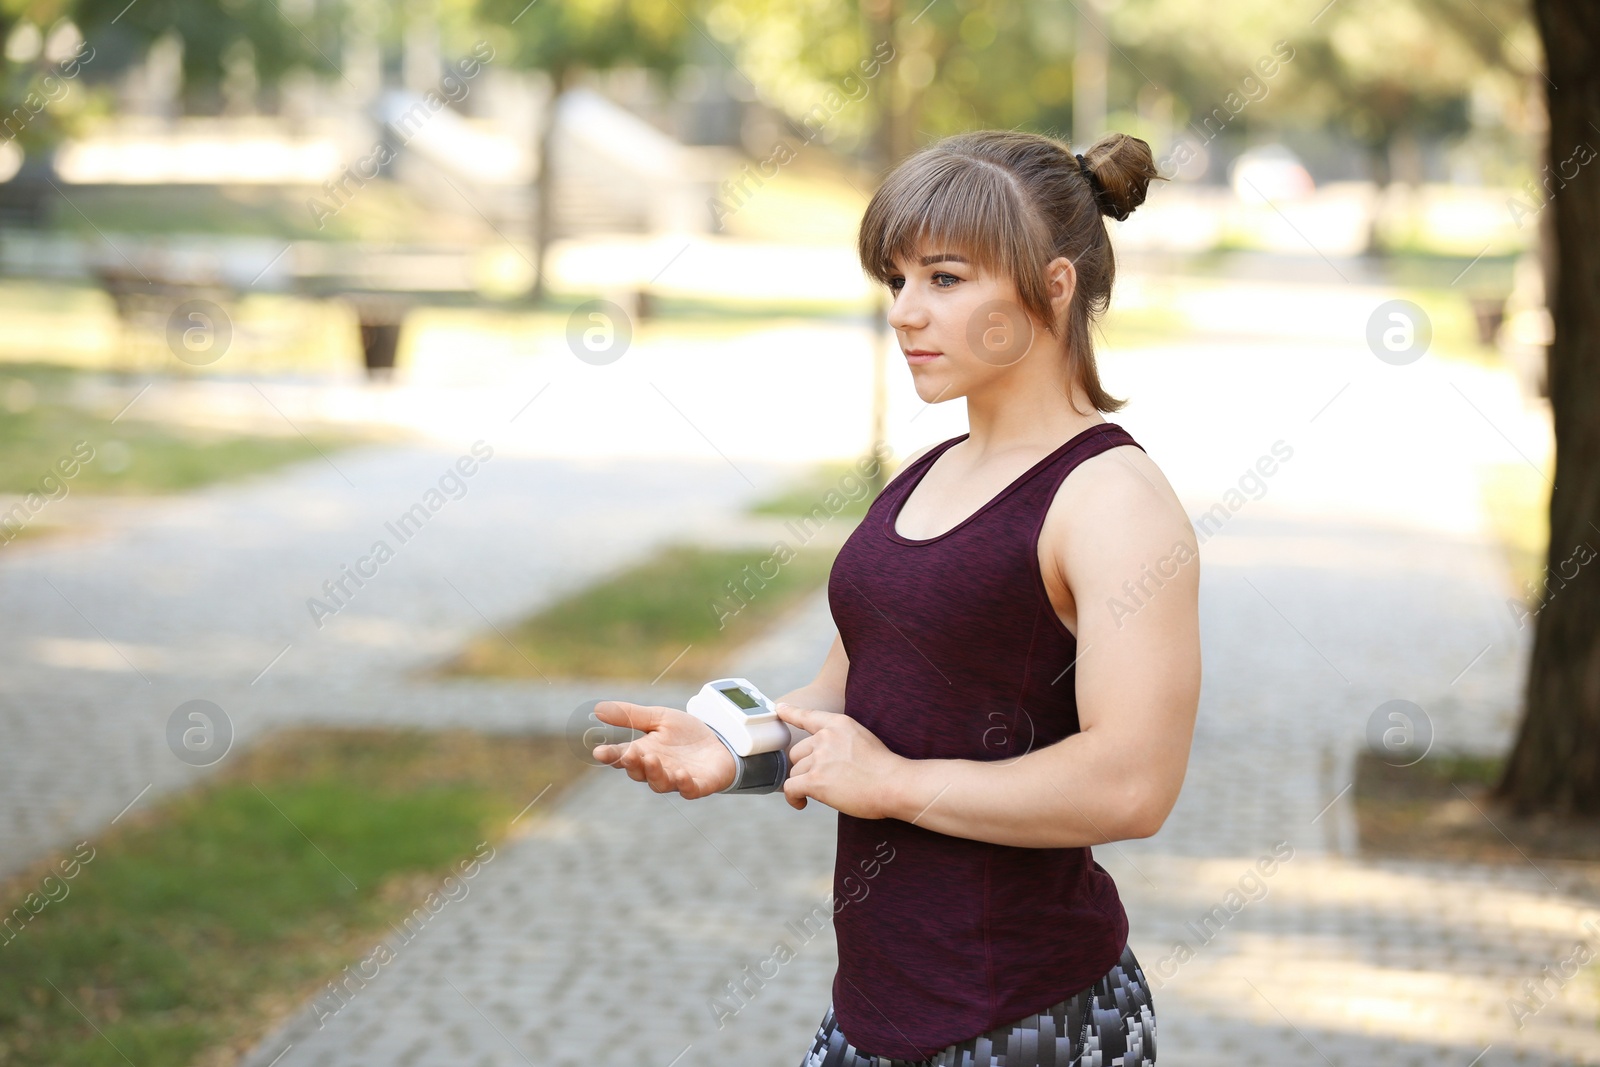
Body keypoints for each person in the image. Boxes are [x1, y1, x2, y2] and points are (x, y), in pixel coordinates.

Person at [591, 128, 1201, 1067]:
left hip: (1030, 1019)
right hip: (875, 1017)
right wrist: (734, 748)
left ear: (1053, 286)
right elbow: (849, 704)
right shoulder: (928, 475)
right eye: (899, 281)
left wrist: (897, 786)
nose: (908, 312)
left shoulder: (1113, 501)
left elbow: (1132, 782)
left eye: (946, 280)